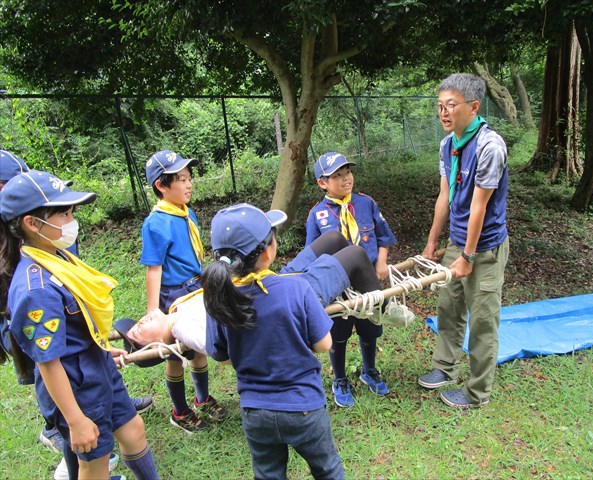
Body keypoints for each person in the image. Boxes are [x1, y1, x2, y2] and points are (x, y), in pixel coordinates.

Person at [0, 151, 150, 479]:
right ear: (32, 223)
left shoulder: (59, 258)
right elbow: (48, 363)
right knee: (95, 463)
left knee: (134, 430)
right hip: (75, 387)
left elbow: (72, 326)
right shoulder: (35, 288)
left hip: (94, 366)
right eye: (64, 213)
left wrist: (98, 346)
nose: (72, 220)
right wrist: (76, 420)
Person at [203, 203, 345, 480]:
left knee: (268, 475)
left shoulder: (218, 300)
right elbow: (324, 344)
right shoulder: (297, 288)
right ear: (269, 250)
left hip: (256, 411)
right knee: (327, 469)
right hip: (304, 407)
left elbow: (221, 355)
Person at [114, 230, 386, 356]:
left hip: (270, 281)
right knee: (356, 255)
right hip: (282, 299)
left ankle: (355, 283)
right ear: (154, 346)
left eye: (135, 322)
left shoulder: (176, 310)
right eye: (138, 332)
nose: (141, 322)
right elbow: (223, 347)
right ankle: (384, 310)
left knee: (333, 239)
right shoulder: (184, 328)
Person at [418, 73, 509, 409]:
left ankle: (476, 394)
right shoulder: (448, 144)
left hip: (483, 248)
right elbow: (445, 197)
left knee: (483, 320)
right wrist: (431, 244)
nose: (443, 112)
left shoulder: (489, 147)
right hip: (459, 243)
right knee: (449, 306)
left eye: (451, 106)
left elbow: (479, 207)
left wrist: (468, 257)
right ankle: (445, 368)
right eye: (440, 106)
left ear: (473, 107)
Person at [306, 151, 401, 407]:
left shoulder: (365, 203)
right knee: (338, 333)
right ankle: (339, 378)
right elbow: (312, 255)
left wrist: (381, 263)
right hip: (337, 287)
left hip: (368, 280)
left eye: (347, 172)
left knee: (371, 327)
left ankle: (369, 370)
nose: (345, 178)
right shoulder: (317, 215)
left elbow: (383, 237)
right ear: (322, 183)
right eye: (336, 175)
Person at [141, 150, 225, 433]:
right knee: (175, 353)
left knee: (198, 347)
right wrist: (154, 312)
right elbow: (154, 268)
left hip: (196, 285)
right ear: (161, 186)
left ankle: (202, 399)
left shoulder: (186, 212)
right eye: (180, 180)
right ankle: (179, 411)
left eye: (189, 178)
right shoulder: (156, 222)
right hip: (173, 294)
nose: (189, 184)